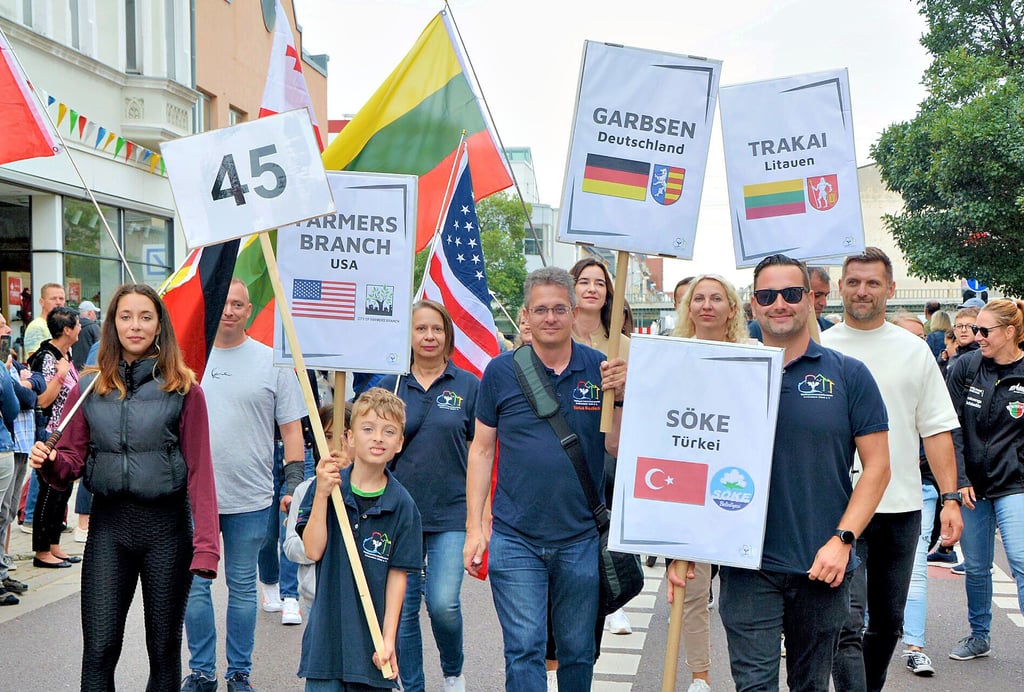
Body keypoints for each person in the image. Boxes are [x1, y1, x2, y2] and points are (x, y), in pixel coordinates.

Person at [29, 283, 220, 690]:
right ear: (112, 324)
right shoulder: (88, 388)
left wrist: (206, 546)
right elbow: (70, 462)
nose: (135, 325)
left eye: (145, 317)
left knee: (164, 650)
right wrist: (50, 462)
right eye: (126, 316)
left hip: (168, 532)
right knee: (99, 650)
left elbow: (201, 472)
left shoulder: (184, 389)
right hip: (109, 530)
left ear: (159, 325)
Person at [718, 254, 891, 692]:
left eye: (792, 294)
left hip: (822, 564)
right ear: (753, 304)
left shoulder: (849, 374)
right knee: (753, 687)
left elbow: (878, 468)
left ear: (811, 300)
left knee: (810, 687)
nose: (779, 303)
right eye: (767, 295)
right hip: (745, 564)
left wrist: (843, 540)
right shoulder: (726, 374)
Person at [464, 266, 626, 692]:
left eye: (558, 309)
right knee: (524, 649)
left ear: (574, 312)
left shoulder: (601, 369)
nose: (550, 317)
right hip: (515, 536)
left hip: (580, 538)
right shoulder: (500, 372)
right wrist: (475, 528)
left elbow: (616, 448)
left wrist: (621, 398)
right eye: (540, 310)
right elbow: (481, 450)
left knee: (577, 650)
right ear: (526, 315)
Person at [822, 248, 962, 691]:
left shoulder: (914, 350)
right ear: (840, 287)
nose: (862, 291)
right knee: (845, 623)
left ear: (890, 289)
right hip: (837, 508)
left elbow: (935, 429)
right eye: (854, 282)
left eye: (872, 283)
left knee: (886, 624)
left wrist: (950, 498)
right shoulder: (820, 347)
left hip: (900, 508)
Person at [182, 279, 306, 692]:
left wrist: (293, 483)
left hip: (251, 497)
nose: (230, 311)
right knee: (196, 586)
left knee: (242, 587)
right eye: (224, 303)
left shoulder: (274, 362)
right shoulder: (187, 360)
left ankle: (239, 674)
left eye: (238, 304)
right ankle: (202, 672)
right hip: (194, 497)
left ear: (249, 310)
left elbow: (292, 431)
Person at [378, 300, 479, 692]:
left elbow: (482, 453)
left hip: (451, 514)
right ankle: (412, 685)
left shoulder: (468, 386)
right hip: (399, 515)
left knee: (442, 603)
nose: (429, 336)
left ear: (447, 335)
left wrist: (480, 519)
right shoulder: (391, 386)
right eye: (420, 329)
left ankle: (453, 671)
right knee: (402, 611)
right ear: (408, 335)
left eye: (436, 329)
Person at [297, 387, 423, 690]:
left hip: (371, 649)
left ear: (399, 443)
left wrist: (389, 639)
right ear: (350, 437)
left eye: (388, 431)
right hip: (326, 646)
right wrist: (322, 495)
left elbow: (398, 577)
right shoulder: (326, 487)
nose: (378, 438)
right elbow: (313, 550)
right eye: (368, 429)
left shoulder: (403, 505)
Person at [666, 274, 749, 692]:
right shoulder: (671, 359)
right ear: (688, 307)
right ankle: (700, 676)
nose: (707, 305)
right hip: (688, 487)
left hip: (739, 487)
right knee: (693, 590)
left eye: (717, 298)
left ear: (732, 308)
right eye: (698, 298)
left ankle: (750, 675)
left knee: (744, 597)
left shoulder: (754, 358)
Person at [945, 298, 1024, 662]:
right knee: (976, 567)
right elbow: (950, 426)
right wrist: (959, 479)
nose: (977, 336)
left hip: (1015, 483)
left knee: (1020, 559)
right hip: (971, 485)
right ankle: (979, 636)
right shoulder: (966, 366)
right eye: (975, 328)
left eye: (984, 330)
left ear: (1009, 332)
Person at [568, 258, 632, 639]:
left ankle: (613, 600)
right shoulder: (557, 336)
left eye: (600, 283)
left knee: (607, 526)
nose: (592, 288)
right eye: (584, 281)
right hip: (567, 445)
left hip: (609, 448)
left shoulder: (623, 344)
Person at [889, 312, 942, 676]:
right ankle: (865, 638)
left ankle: (914, 646)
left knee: (916, 568)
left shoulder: (930, 379)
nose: (918, 346)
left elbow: (943, 435)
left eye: (922, 339)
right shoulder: (865, 377)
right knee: (863, 573)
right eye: (910, 338)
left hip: (918, 487)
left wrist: (950, 496)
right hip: (866, 490)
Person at [28, 305, 80, 568]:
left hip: (65, 433)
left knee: (63, 491)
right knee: (49, 492)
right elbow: (42, 399)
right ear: (67, 330)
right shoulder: (46, 357)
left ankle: (54, 544)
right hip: (49, 433)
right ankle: (41, 551)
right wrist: (60, 375)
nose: (80, 328)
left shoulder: (65, 354)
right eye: (77, 324)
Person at [749, 265, 833, 341]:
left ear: (809, 299)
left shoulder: (830, 330)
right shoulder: (753, 332)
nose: (823, 303)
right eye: (768, 296)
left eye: (826, 295)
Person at [23, 282, 66, 356]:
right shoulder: (37, 327)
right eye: (53, 298)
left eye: (61, 299)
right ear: (41, 302)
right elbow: (36, 358)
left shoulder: (62, 326)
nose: (58, 302)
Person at [70, 299, 100, 370]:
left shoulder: (72, 327)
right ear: (90, 313)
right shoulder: (93, 327)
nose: (96, 315)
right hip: (89, 368)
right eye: (95, 313)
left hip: (74, 367)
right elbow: (100, 346)